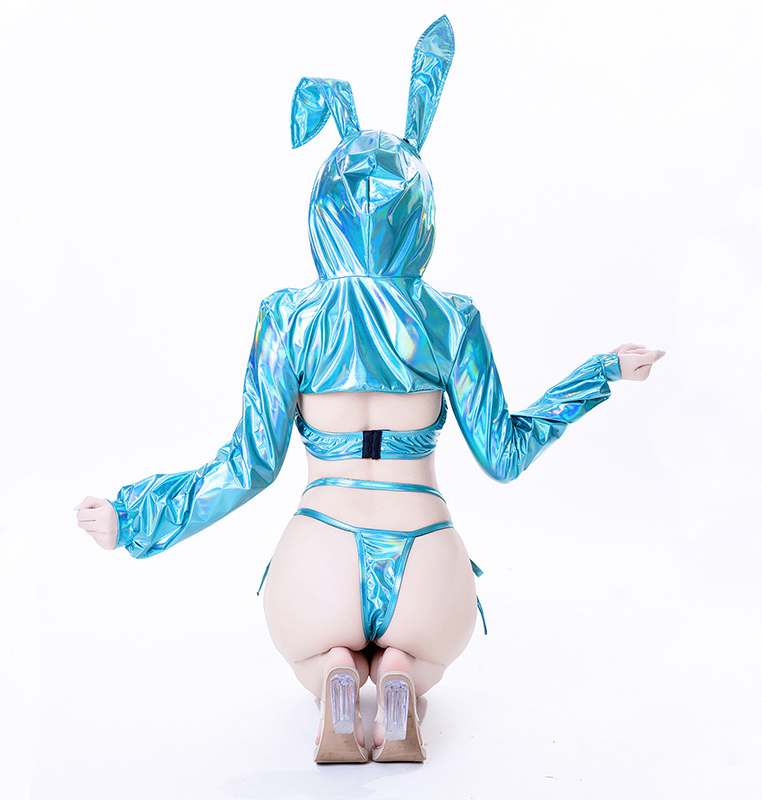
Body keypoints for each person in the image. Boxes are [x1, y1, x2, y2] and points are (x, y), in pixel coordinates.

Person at [75, 17, 664, 763]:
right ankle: (401, 676)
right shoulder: (451, 318)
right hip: (427, 562)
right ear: (420, 214)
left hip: (319, 556)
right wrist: (602, 372)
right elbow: (506, 454)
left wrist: (133, 517)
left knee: (312, 652)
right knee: (424, 657)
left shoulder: (288, 317)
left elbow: (247, 466)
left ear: (323, 210)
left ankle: (333, 672)